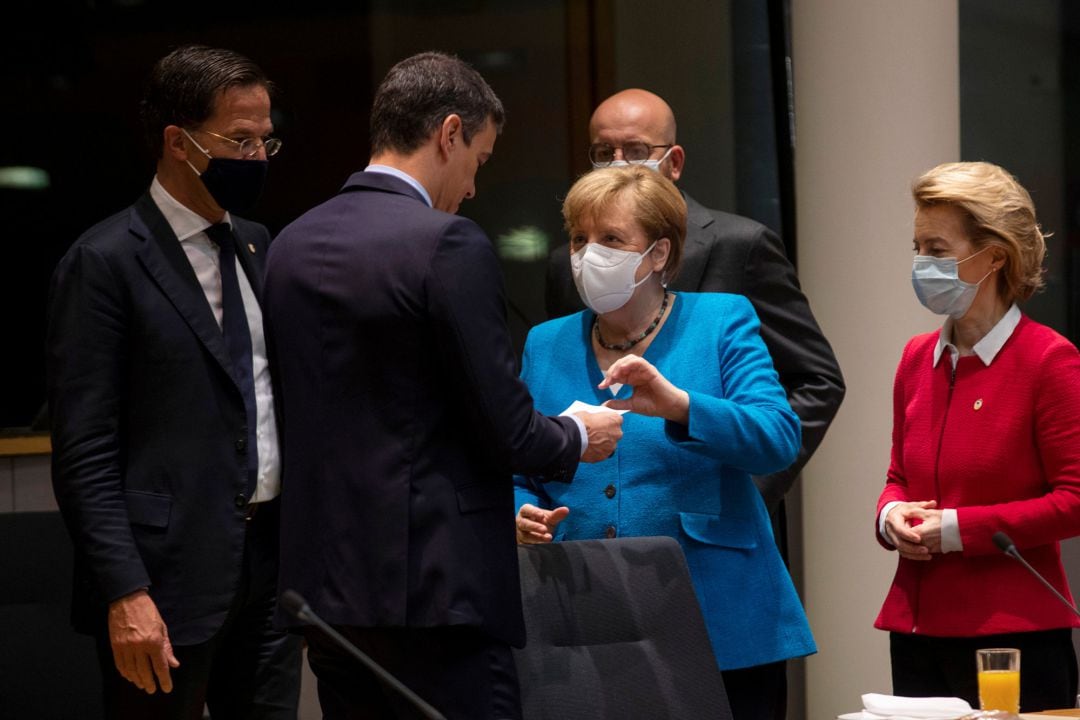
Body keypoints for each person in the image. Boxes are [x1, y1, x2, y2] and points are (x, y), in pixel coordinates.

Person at [263, 51, 622, 720]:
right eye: (479, 160)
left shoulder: (290, 244)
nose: (474, 186)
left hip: (324, 592)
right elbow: (506, 428)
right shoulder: (447, 244)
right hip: (434, 591)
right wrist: (578, 433)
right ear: (448, 133)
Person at [46, 45, 300, 718]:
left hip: (269, 568)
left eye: (264, 140)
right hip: (162, 583)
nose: (256, 157)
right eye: (237, 140)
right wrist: (124, 592)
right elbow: (84, 450)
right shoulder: (104, 262)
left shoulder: (258, 243)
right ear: (177, 143)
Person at [515, 165, 815, 720]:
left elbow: (778, 438)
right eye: (580, 239)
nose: (587, 255)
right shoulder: (544, 342)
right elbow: (515, 465)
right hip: (584, 615)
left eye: (610, 239)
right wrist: (520, 512)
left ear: (658, 254)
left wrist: (682, 406)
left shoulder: (722, 319)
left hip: (718, 611)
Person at [546, 89, 845, 529]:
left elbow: (815, 380)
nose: (619, 162)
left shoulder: (741, 245)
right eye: (602, 152)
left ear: (674, 161)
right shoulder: (567, 264)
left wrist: (748, 486)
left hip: (716, 514)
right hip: (597, 527)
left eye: (635, 150)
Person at [875, 161, 1080, 712]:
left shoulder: (1049, 360)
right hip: (918, 628)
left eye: (938, 250)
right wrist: (889, 518)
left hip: (1013, 633)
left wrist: (958, 530)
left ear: (994, 255)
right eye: (917, 247)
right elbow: (898, 477)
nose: (921, 264)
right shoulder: (917, 357)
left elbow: (1074, 501)